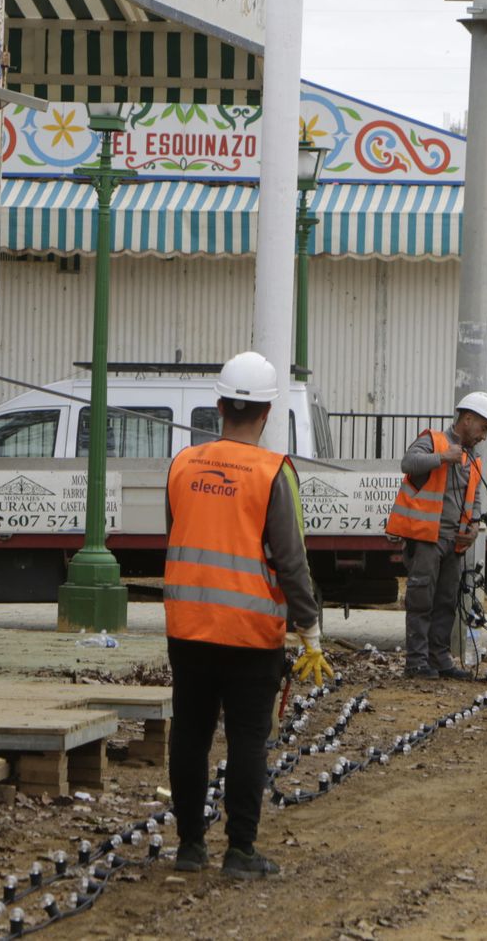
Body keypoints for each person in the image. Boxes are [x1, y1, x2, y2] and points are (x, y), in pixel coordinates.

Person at [163, 351, 329, 879]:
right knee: (247, 740)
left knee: (189, 734)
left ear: (218, 407)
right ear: (266, 413)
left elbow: (177, 532)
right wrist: (311, 631)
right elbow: (292, 559)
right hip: (250, 635)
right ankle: (240, 851)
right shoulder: (273, 472)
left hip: (188, 629)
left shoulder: (182, 464)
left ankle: (189, 846)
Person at [387, 391, 487, 680]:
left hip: (454, 541)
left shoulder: (473, 457)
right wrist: (441, 457)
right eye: (483, 428)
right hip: (427, 537)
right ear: (467, 419)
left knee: (446, 602)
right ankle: (416, 662)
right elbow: (408, 463)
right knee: (421, 600)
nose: (484, 436)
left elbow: (473, 497)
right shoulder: (434, 440)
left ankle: (439, 660)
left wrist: (474, 525)